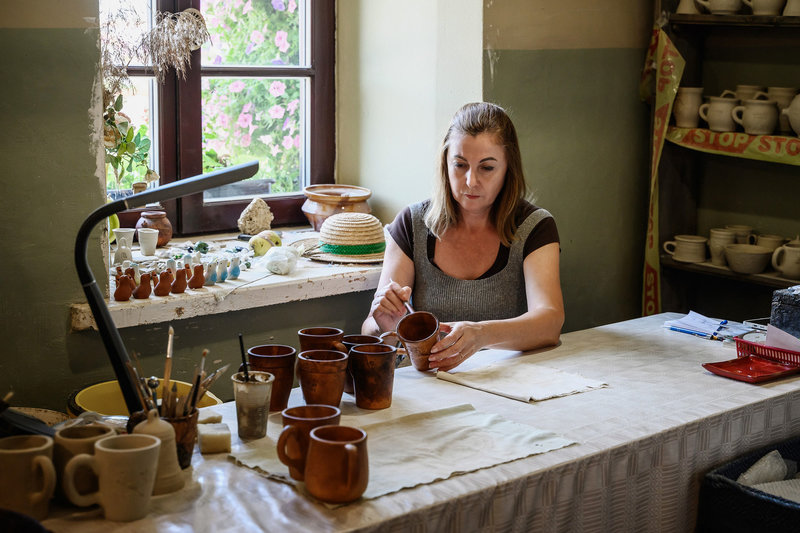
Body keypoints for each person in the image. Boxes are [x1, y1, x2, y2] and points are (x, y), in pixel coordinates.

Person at [361, 102, 564, 371]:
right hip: (428, 386)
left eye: (487, 168)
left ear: (508, 169)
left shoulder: (535, 227)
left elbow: (550, 322)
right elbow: (370, 332)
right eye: (460, 165)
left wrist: (482, 335)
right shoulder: (411, 224)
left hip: (507, 384)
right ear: (445, 163)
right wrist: (383, 324)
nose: (470, 181)